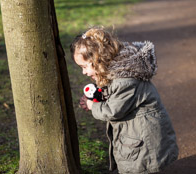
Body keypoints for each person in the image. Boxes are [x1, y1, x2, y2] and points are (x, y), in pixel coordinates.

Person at [70, 27, 178, 174]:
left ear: (98, 60)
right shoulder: (119, 72)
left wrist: (92, 105)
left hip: (143, 141)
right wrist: (99, 96)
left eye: (84, 67)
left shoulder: (125, 81)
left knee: (140, 167)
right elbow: (115, 95)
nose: (83, 72)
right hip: (136, 135)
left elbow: (113, 111)